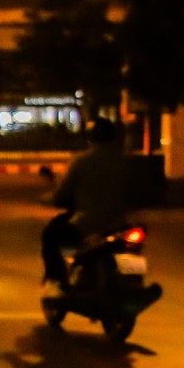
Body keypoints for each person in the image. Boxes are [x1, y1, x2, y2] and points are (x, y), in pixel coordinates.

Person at [42, 117, 132, 289]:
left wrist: (49, 198)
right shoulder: (125, 162)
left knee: (52, 235)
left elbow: (64, 192)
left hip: (87, 223)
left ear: (91, 138)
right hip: (121, 223)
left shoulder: (82, 161)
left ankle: (59, 281)